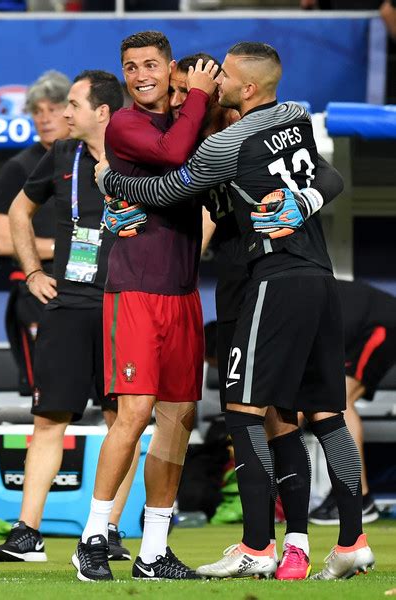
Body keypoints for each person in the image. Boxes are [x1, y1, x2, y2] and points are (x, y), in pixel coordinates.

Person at [97, 41, 375, 580]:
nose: (188, 99)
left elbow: (170, 183)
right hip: (302, 279)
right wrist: (115, 215)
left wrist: (109, 179)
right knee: (308, 414)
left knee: (247, 411)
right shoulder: (284, 120)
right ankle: (341, 540)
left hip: (268, 281)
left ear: (234, 89)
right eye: (182, 91)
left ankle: (258, 545)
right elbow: (324, 175)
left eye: (196, 87)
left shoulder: (223, 143)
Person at [151, 51, 348, 581]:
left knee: (272, 413)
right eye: (174, 94)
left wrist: (301, 200)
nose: (177, 102)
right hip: (238, 282)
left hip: (267, 273)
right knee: (259, 413)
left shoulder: (244, 133)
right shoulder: (194, 142)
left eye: (183, 90)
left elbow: (327, 175)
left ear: (215, 87)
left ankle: (289, 543)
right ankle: (267, 544)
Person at [72, 31, 219, 583]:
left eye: (151, 64)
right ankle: (93, 537)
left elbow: (197, 153)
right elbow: (174, 156)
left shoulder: (189, 121)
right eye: (131, 67)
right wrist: (199, 94)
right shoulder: (126, 125)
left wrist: (198, 95)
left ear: (170, 68)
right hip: (133, 291)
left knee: (178, 419)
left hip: (183, 294)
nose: (141, 75)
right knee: (132, 415)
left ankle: (154, 549)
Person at [0, 70, 138, 564]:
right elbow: (17, 213)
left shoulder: (139, 156)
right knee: (49, 418)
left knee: (125, 420)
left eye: (73, 105)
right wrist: (33, 271)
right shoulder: (60, 156)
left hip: (126, 306)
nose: (63, 114)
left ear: (103, 112)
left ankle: (107, 531)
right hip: (69, 305)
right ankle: (26, 532)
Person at [0, 70, 70, 396]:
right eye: (37, 111)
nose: (45, 118)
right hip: (38, 291)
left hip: (90, 291)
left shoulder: (91, 160)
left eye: (53, 108)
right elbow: (3, 241)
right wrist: (68, 247)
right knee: (48, 395)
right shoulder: (19, 168)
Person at [310, 279, 396, 525]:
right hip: (355, 327)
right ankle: (349, 492)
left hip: (377, 321)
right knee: (330, 403)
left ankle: (357, 498)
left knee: (340, 403)